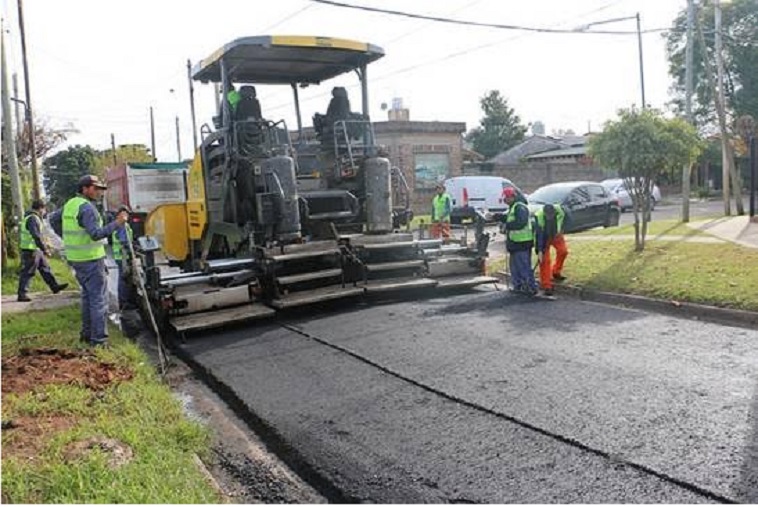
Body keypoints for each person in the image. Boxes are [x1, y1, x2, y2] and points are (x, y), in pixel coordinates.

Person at [50, 175, 128, 347]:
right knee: (99, 300)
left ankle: (86, 334)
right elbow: (96, 234)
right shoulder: (87, 208)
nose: (99, 192)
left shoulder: (71, 204)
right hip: (91, 259)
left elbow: (53, 220)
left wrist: (67, 238)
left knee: (87, 297)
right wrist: (118, 223)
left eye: (100, 189)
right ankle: (99, 341)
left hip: (76, 258)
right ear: (85, 189)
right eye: (95, 188)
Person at [16, 199, 69, 302]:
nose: (45, 212)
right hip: (30, 249)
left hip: (35, 249)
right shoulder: (33, 218)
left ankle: (54, 286)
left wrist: (44, 247)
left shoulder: (32, 217)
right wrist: (44, 249)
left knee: (45, 268)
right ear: (41, 208)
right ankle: (22, 294)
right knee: (28, 272)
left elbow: (39, 236)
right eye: (44, 210)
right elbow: (36, 236)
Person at [501, 186, 538, 295]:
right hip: (515, 243)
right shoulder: (514, 207)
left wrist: (507, 226)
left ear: (512, 197)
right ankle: (518, 286)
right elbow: (511, 219)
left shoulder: (520, 207)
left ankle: (529, 287)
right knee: (515, 267)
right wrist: (498, 217)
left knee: (523, 267)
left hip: (522, 243)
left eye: (506, 198)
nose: (505, 200)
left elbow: (520, 223)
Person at [534, 203, 569, 297]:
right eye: (548, 216)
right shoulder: (539, 217)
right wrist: (540, 250)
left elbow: (568, 220)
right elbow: (539, 234)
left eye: (551, 215)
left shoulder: (562, 211)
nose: (549, 217)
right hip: (545, 238)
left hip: (556, 235)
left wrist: (563, 229)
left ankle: (556, 272)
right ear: (545, 213)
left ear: (554, 212)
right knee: (545, 261)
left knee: (563, 251)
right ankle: (546, 285)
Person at [111, 204, 137, 311]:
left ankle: (124, 301)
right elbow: (124, 241)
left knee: (123, 278)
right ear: (119, 215)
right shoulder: (122, 226)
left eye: (126, 214)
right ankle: (124, 302)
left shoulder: (117, 225)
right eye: (123, 214)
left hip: (120, 256)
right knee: (124, 279)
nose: (125, 216)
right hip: (123, 257)